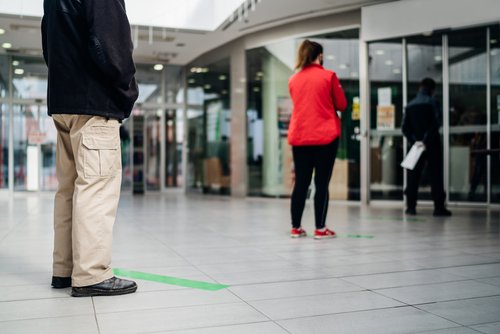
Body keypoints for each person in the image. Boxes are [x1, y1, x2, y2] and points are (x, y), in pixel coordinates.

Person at [42, 0, 139, 296]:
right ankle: (91, 273)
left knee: (69, 191)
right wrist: (128, 92)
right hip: (94, 104)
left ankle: (66, 269)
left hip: (63, 103)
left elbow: (49, 46)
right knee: (96, 188)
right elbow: (111, 45)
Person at [288, 40, 347, 239]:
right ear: (320, 55)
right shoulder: (328, 76)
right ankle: (320, 229)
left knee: (301, 183)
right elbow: (342, 104)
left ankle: (296, 227)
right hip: (325, 137)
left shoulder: (293, 80)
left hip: (300, 137)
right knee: (321, 183)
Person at [402, 78, 451, 217]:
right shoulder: (433, 102)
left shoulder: (410, 105)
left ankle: (411, 207)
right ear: (432, 90)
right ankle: (438, 208)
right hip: (432, 144)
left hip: (416, 146)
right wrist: (425, 140)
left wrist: (416, 141)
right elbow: (436, 123)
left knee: (413, 177)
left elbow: (405, 128)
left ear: (420, 87)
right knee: (435, 175)